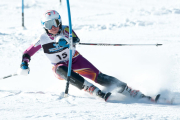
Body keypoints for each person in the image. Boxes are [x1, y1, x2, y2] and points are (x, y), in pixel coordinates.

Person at [17, 10, 158, 102]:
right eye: (48, 24)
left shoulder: (66, 29)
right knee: (60, 69)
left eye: (55, 22)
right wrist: (24, 64)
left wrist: (70, 41)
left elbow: (75, 38)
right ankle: (90, 89)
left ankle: (132, 92)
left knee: (100, 77)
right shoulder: (42, 39)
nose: (53, 26)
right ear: (44, 26)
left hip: (76, 60)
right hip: (60, 67)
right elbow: (27, 53)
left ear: (59, 21)